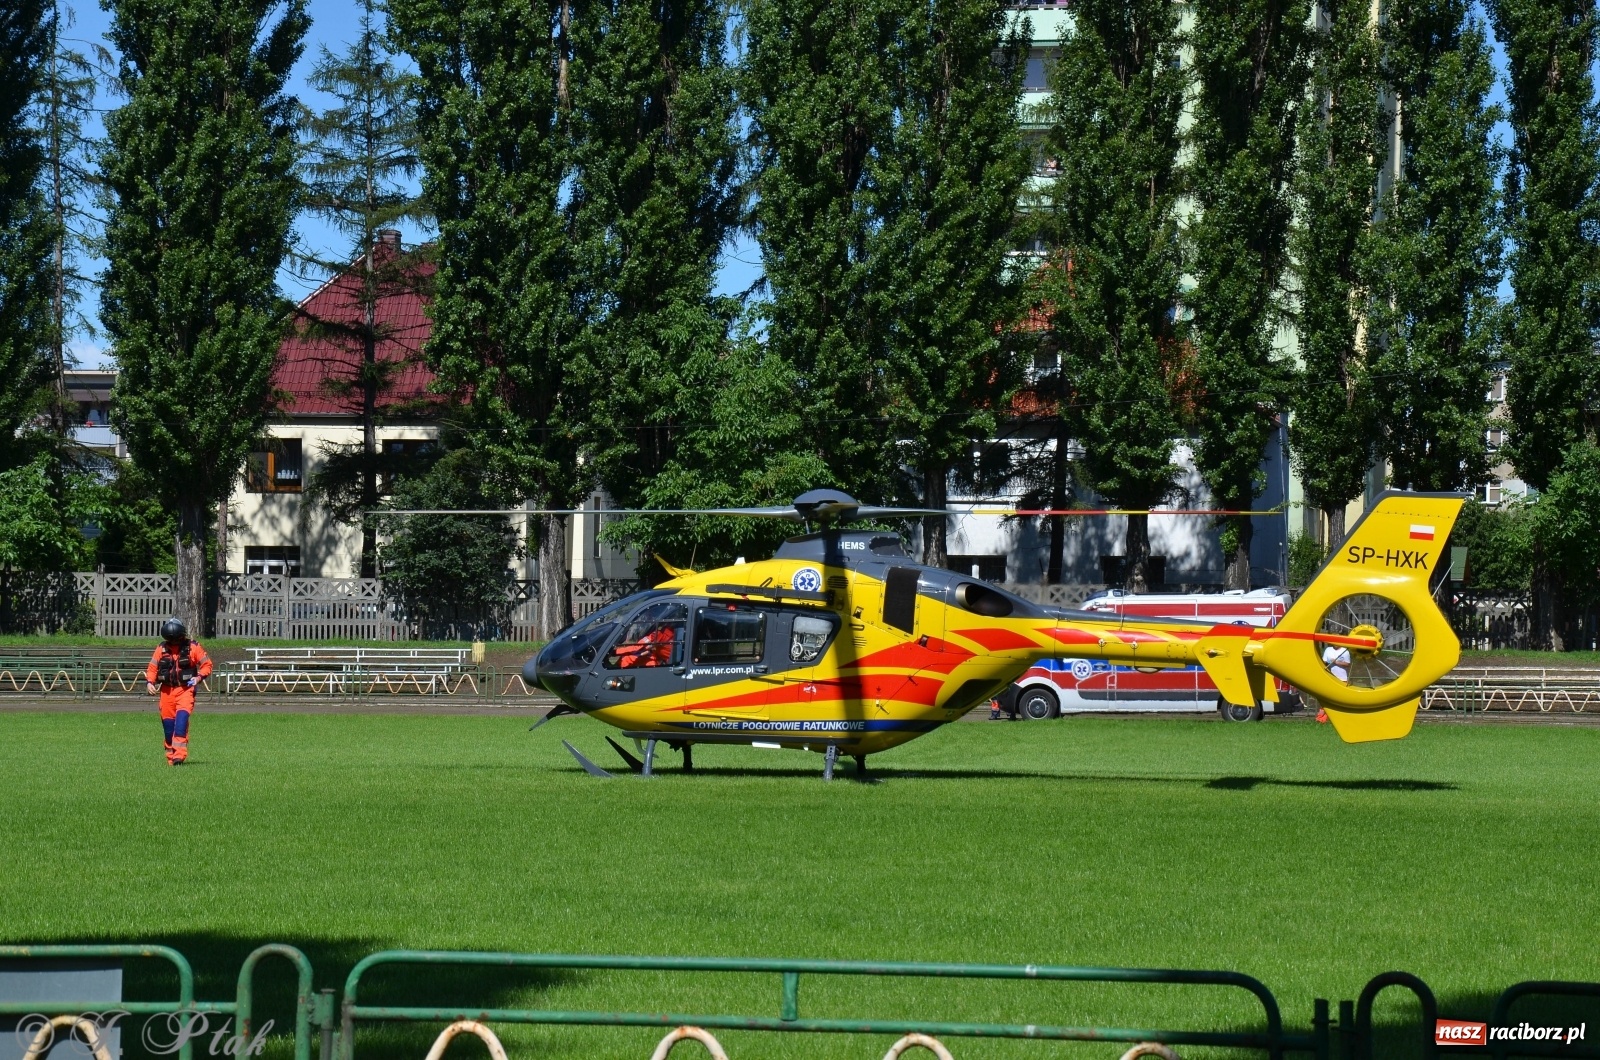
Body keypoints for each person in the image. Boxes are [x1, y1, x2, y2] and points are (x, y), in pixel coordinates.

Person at [145, 618, 213, 765]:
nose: (174, 643)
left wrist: (198, 678)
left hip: (185, 690)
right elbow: (152, 668)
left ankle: (179, 756)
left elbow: (207, 665)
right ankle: (171, 757)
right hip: (166, 692)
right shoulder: (161, 649)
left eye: (176, 639)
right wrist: (150, 682)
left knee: (181, 722)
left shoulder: (193, 647)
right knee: (168, 728)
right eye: (171, 640)